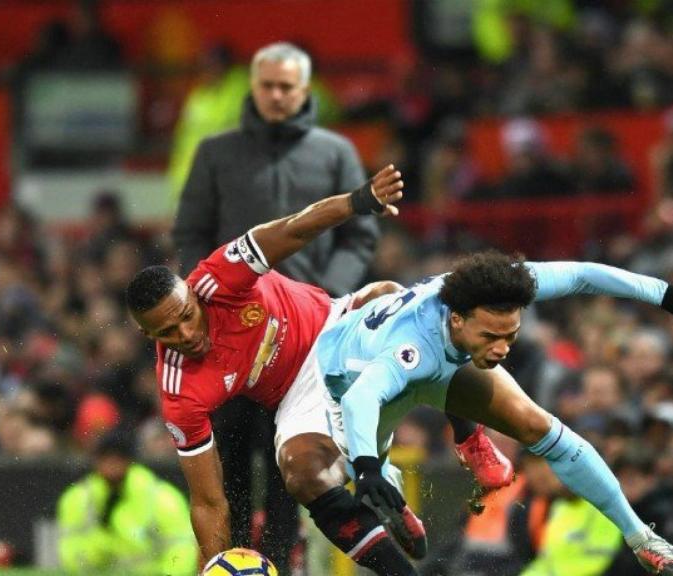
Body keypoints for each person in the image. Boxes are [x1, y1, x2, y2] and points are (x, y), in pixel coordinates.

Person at [170, 41, 507, 568]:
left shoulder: (333, 151)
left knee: (294, 463)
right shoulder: (216, 152)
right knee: (233, 462)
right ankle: (233, 562)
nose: (277, 96)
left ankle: (287, 557)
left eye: (287, 87)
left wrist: (328, 289)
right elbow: (189, 230)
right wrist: (206, 301)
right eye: (268, 86)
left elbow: (360, 234)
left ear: (305, 91)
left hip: (314, 324)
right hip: (231, 336)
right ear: (252, 89)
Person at [315, 250, 673, 575]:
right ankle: (396, 478)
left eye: (511, 334)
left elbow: (583, 275)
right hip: (346, 378)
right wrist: (368, 466)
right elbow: (360, 400)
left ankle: (643, 538)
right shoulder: (410, 349)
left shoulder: (499, 292)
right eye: (492, 335)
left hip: (437, 362)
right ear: (458, 320)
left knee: (542, 427)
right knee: (370, 457)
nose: (503, 347)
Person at [127, 168, 425, 575]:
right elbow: (209, 502)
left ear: (192, 293)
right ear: (147, 335)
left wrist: (358, 201)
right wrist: (212, 566)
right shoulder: (180, 392)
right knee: (304, 478)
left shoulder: (220, 275)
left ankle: (467, 438)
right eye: (167, 332)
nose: (186, 334)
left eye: (186, 316)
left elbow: (295, 229)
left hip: (335, 327)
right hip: (295, 395)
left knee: (395, 300)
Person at [56, 428, 196, 575]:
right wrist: (103, 544)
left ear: (129, 460)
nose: (111, 464)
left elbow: (183, 550)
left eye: (118, 457)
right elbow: (70, 556)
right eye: (106, 457)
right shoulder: (77, 499)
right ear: (96, 460)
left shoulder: (162, 498)